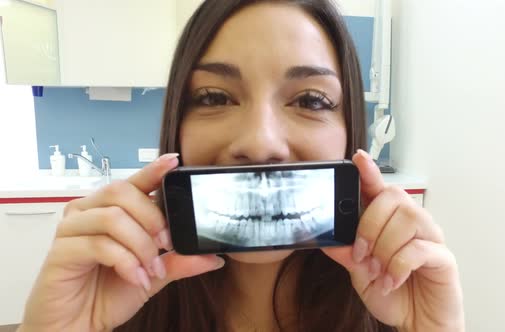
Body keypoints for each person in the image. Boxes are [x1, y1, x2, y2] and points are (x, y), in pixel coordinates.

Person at [17, 1, 464, 331]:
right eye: (214, 97)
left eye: (311, 100)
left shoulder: (394, 308)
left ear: (351, 137)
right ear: (178, 126)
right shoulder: (115, 306)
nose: (260, 143)